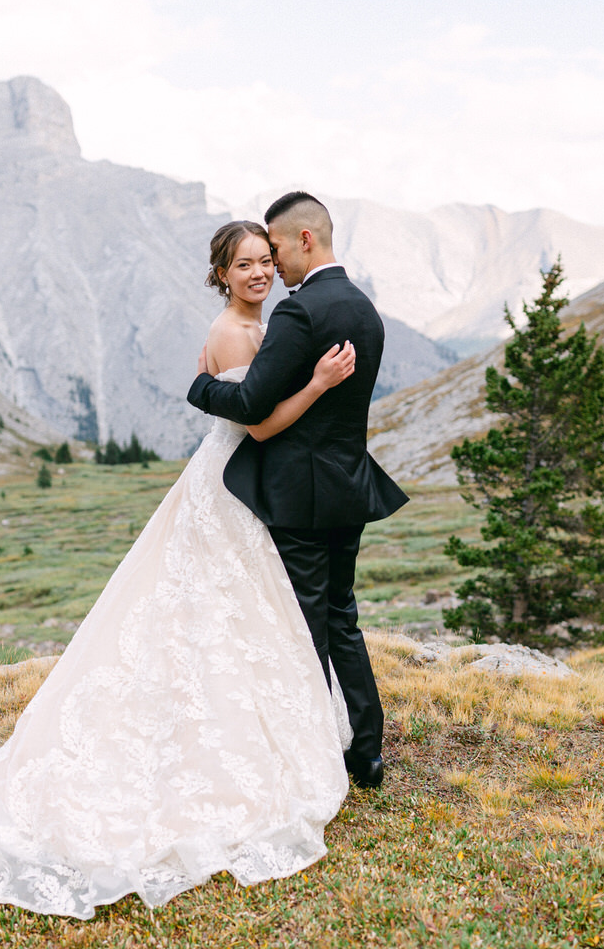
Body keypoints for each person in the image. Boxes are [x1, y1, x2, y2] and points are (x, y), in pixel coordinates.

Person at [0, 220, 357, 920]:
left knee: (222, 618)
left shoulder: (262, 326)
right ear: (222, 274)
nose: (258, 273)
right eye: (244, 264)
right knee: (206, 610)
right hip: (229, 486)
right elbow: (256, 423)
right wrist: (317, 383)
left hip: (239, 487)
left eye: (264, 261)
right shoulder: (234, 332)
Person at [187, 191, 409, 790]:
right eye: (253, 259)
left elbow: (253, 406)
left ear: (303, 240)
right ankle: (367, 751)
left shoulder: (298, 312)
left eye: (276, 248)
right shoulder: (365, 309)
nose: (272, 265)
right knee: (343, 618)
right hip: (350, 488)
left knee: (301, 626)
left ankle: (306, 757)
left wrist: (202, 386)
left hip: (298, 497)